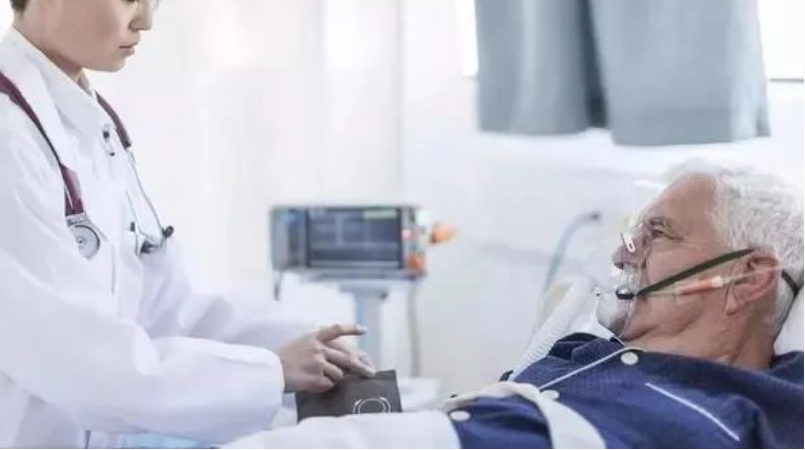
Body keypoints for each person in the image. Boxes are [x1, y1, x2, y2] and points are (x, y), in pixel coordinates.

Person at [0, 0, 372, 447]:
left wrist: (301, 343)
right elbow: (87, 367)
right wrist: (272, 371)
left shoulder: (86, 130)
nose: (145, 19)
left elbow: (163, 306)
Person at [225, 161, 804, 448]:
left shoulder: (717, 418)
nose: (624, 254)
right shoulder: (587, 351)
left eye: (659, 234)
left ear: (748, 279)